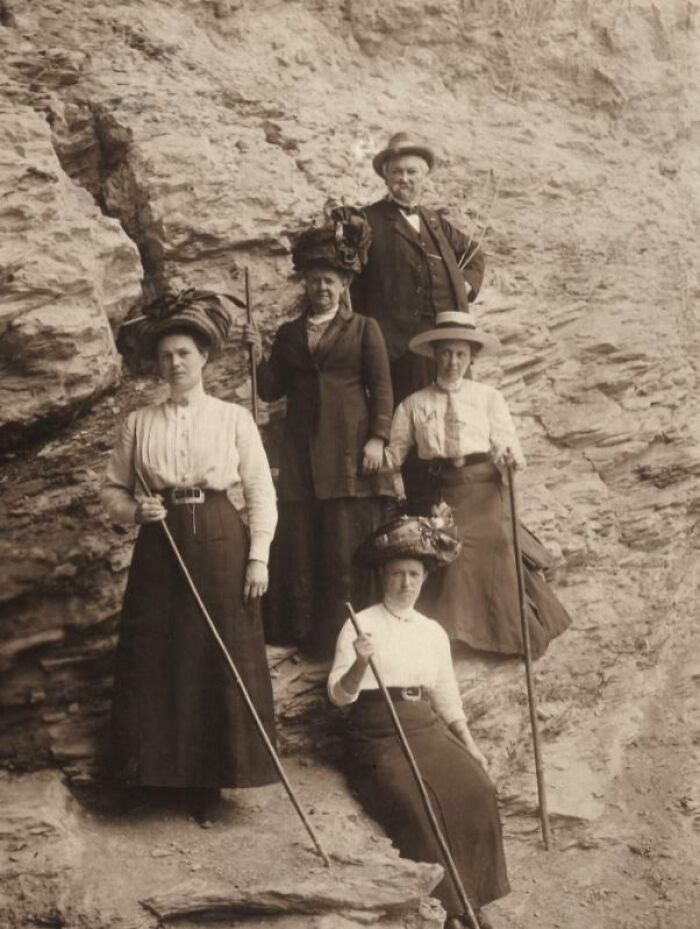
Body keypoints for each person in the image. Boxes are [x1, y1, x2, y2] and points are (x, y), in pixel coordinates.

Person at [102, 289, 279, 823]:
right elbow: (111, 491)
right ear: (156, 365)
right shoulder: (139, 423)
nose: (174, 363)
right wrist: (137, 511)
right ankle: (155, 777)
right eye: (165, 356)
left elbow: (260, 489)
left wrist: (259, 557)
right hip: (162, 543)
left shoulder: (231, 419)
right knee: (158, 653)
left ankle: (210, 781)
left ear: (204, 357)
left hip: (222, 537)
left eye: (184, 354)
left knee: (215, 654)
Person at [328, 513, 510, 929]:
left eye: (413, 574)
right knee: (416, 802)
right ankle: (448, 909)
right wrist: (360, 662)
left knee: (477, 789)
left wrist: (470, 744)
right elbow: (339, 698)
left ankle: (474, 900)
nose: (405, 583)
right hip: (376, 732)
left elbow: (446, 697)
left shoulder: (432, 632)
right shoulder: (361, 625)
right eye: (397, 574)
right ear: (383, 578)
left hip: (425, 725)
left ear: (424, 578)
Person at [245, 210, 398, 658]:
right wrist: (257, 354)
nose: (322, 287)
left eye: (330, 280)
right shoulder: (289, 333)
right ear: (305, 286)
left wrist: (378, 439)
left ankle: (352, 638)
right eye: (314, 281)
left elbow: (383, 388)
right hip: (299, 452)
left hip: (349, 450)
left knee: (342, 546)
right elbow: (271, 389)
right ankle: (310, 637)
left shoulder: (364, 328)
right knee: (305, 542)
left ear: (343, 285)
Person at [384, 311, 571, 658]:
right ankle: (456, 639)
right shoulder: (414, 403)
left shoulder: (488, 398)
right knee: (445, 552)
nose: (453, 361)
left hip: (485, 488)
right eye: (446, 353)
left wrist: (509, 459)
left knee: (495, 543)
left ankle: (508, 638)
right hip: (440, 492)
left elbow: (507, 445)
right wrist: (376, 465)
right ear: (434, 354)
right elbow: (393, 454)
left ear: (471, 357)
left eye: (461, 354)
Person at [350, 131, 486, 406]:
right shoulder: (367, 220)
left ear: (423, 176)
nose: (404, 178)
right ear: (385, 176)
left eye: (412, 171)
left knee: (458, 412)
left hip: (449, 342)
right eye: (397, 172)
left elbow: (475, 254)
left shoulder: (435, 220)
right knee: (412, 420)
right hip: (402, 349)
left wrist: (465, 285)